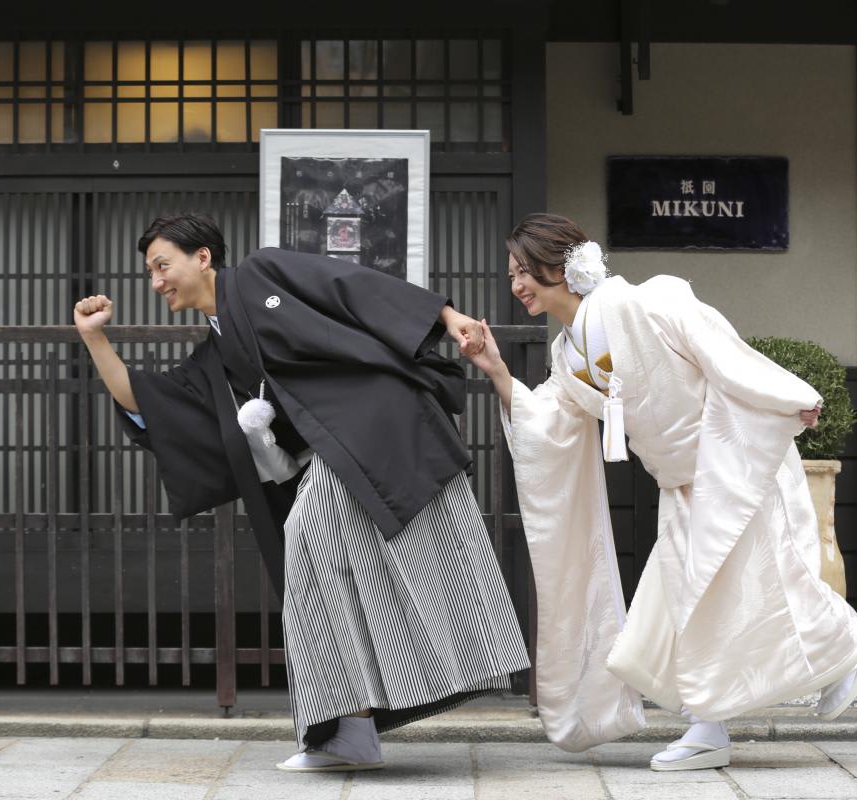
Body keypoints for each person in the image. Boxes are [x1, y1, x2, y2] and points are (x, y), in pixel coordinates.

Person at [73, 213, 529, 772]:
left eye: (162, 265)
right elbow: (147, 402)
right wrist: (93, 337)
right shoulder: (213, 358)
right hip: (340, 453)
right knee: (323, 567)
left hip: (378, 419)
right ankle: (351, 727)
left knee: (307, 535)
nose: (156, 281)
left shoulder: (261, 273)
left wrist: (450, 317)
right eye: (150, 272)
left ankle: (349, 730)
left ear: (203, 257)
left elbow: (352, 287)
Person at [464, 213, 857, 770]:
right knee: (696, 604)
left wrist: (785, 396)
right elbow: (549, 422)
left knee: (756, 588)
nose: (517, 285)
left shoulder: (643, 301)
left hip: (731, 463)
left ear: (559, 267)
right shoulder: (567, 356)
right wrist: (495, 369)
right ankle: (724, 718)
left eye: (524, 271)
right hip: (682, 483)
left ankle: (838, 657)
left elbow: (717, 345)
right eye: (512, 274)